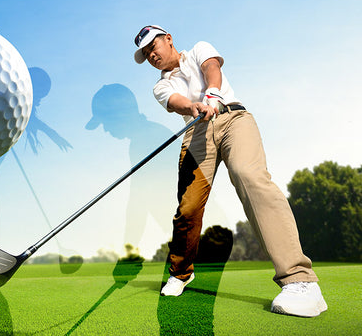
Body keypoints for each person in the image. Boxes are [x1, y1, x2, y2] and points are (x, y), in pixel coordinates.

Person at [132, 25, 327, 317]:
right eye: (146, 54)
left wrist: (211, 93)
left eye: (153, 46)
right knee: (188, 208)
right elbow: (175, 103)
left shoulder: (199, 48)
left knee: (249, 176)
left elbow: (212, 68)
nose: (151, 55)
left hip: (233, 118)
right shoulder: (160, 85)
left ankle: (300, 280)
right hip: (195, 133)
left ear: (169, 39)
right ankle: (182, 272)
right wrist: (195, 105)